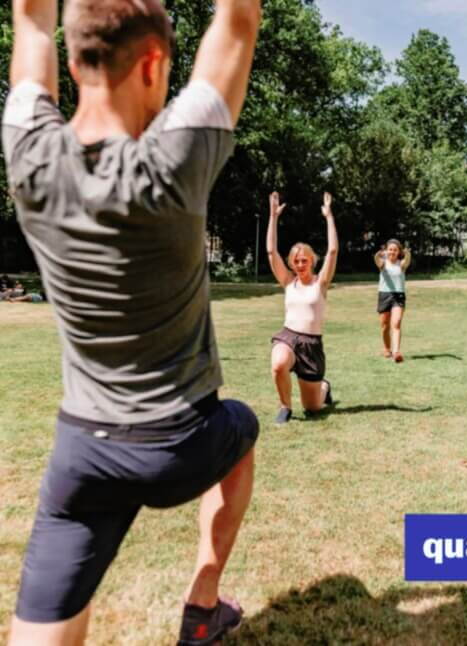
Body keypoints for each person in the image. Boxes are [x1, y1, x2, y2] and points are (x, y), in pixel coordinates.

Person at [3, 1, 261, 644]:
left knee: (40, 624)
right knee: (244, 429)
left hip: (85, 450)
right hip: (180, 444)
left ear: (72, 59)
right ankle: (203, 604)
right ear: (152, 62)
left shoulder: (29, 155)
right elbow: (237, 21)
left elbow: (31, 19)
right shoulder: (174, 163)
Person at [267, 191, 338, 424]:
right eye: (296, 261)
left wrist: (328, 216)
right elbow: (271, 251)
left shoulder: (321, 283)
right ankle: (285, 407)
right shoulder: (288, 281)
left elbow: (333, 251)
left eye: (304, 260)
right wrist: (273, 216)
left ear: (311, 261)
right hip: (289, 336)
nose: (299, 265)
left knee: (313, 409)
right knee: (278, 364)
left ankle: (324, 389)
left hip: (312, 346)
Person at [374, 240, 411, 362]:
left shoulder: (401, 264)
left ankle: (396, 352)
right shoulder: (383, 263)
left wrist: (407, 253)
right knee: (385, 325)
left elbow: (408, 260)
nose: (392, 252)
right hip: (384, 295)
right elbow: (376, 260)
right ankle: (387, 348)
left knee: (396, 323)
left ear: (398, 251)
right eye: (390, 249)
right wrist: (378, 254)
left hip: (398, 295)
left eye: (395, 250)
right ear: (386, 250)